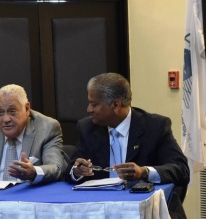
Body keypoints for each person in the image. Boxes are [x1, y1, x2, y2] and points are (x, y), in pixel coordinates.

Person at [64, 73, 189, 219]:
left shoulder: (155, 126)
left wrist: (144, 172)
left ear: (116, 105)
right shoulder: (87, 127)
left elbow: (181, 170)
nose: (89, 109)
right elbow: (70, 170)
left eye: (95, 104)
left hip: (146, 211)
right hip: (101, 210)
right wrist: (77, 171)